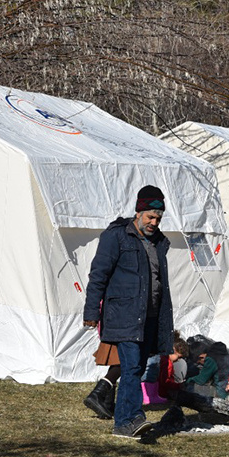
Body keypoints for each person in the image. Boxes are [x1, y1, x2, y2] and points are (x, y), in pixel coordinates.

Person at [83, 184, 173, 439]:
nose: (154, 222)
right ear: (138, 212)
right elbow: (98, 275)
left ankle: (127, 419)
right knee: (132, 367)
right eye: (150, 217)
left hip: (150, 317)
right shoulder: (116, 236)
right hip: (123, 313)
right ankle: (127, 420)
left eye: (158, 218)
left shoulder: (159, 243)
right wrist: (91, 311)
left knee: (138, 367)